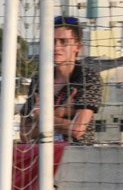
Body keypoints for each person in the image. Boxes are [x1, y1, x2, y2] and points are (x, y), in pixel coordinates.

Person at [20, 16, 102, 145]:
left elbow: (77, 129)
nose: (57, 47)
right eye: (52, 41)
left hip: (75, 157)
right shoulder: (39, 80)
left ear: (77, 46)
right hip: (41, 159)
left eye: (63, 41)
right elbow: (24, 133)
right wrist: (61, 112)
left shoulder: (88, 77)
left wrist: (40, 116)